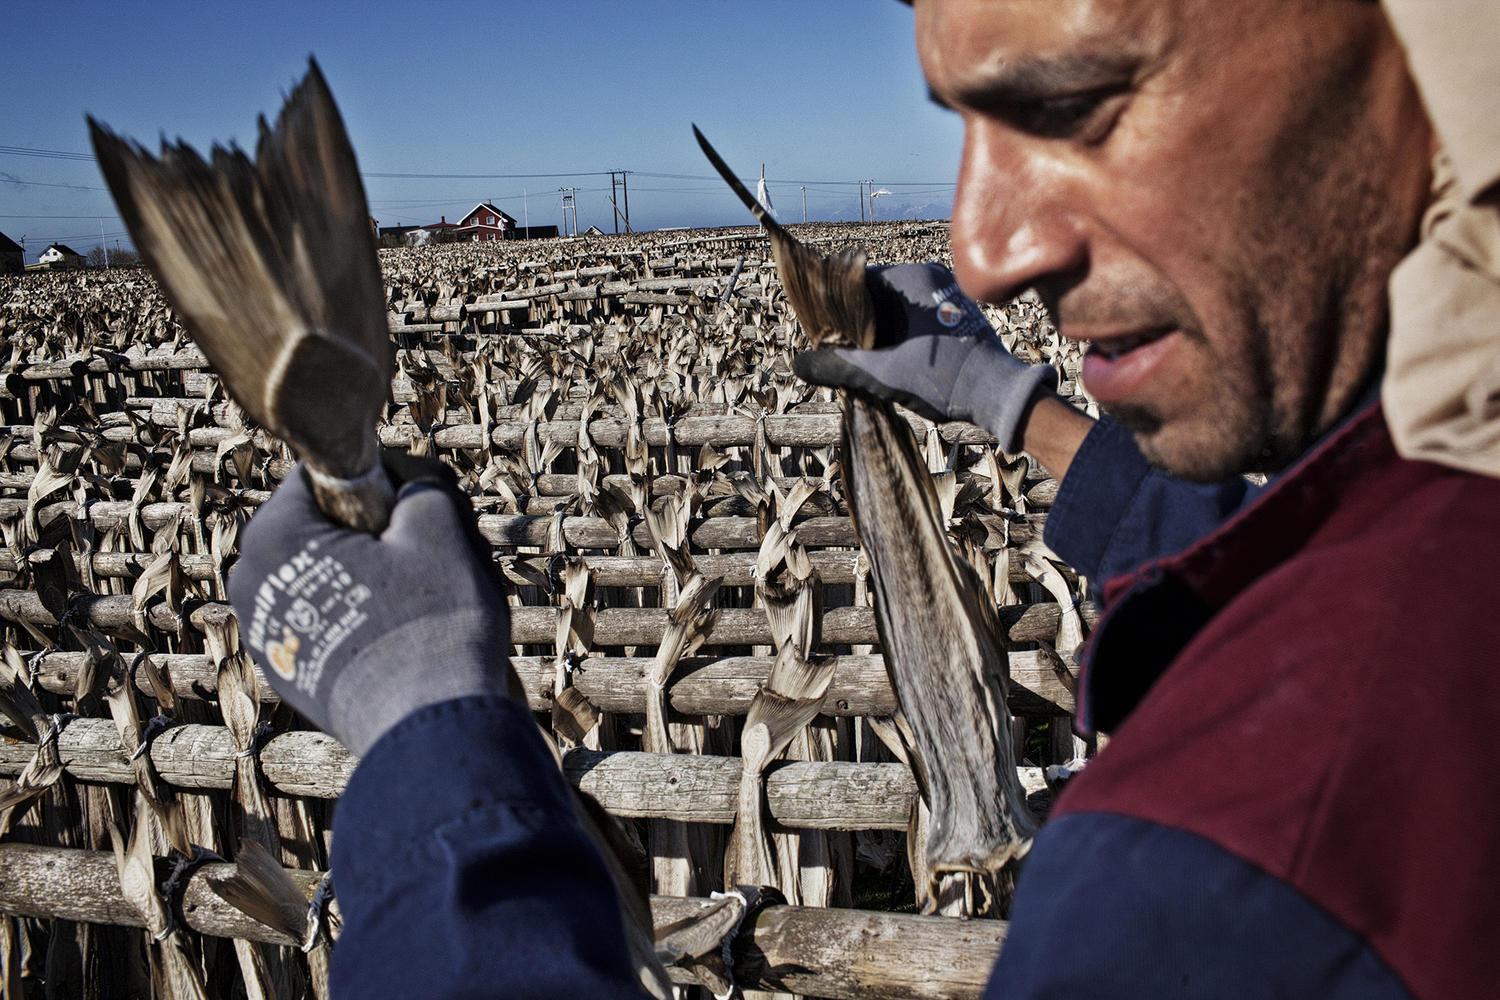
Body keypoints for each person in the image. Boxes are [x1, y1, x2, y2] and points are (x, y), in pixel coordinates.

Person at [229, 1, 1500, 996]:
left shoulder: (1229, 876)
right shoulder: (1445, 520)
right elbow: (1301, 584)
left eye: (1074, 106)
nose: (985, 250)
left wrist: (429, 744)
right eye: (964, 127)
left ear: (1419, 51)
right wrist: (1014, 407)